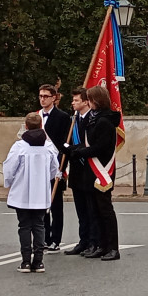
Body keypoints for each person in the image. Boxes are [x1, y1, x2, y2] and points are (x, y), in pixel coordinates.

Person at [66, 86, 122, 261]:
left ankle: (113, 248)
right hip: (93, 171)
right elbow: (87, 144)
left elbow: (100, 147)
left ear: (96, 100)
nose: (88, 103)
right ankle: (102, 245)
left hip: (102, 171)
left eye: (89, 99)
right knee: (95, 211)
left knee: (105, 211)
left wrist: (80, 152)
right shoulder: (95, 119)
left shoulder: (104, 121)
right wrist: (73, 149)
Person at [4, 112, 58, 273]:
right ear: (41, 126)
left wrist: (10, 183)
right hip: (40, 193)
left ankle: (26, 261)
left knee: (25, 226)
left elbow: (9, 168)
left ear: (25, 127)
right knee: (39, 225)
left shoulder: (19, 146)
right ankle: (39, 261)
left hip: (22, 192)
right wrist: (43, 180)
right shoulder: (48, 147)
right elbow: (54, 169)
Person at [62, 87, 98, 256]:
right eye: (73, 100)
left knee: (91, 210)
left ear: (85, 101)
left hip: (89, 169)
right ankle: (83, 241)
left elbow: (90, 145)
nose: (73, 103)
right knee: (80, 210)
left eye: (76, 100)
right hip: (76, 170)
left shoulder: (92, 119)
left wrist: (72, 149)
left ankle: (93, 242)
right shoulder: (72, 121)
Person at [38, 84, 71, 252]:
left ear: (53, 98)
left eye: (46, 96)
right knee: (42, 204)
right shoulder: (35, 116)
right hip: (39, 167)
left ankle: (55, 239)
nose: (42, 99)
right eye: (41, 96)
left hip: (56, 166)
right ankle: (44, 237)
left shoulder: (63, 117)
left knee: (56, 205)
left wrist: (61, 167)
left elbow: (65, 143)